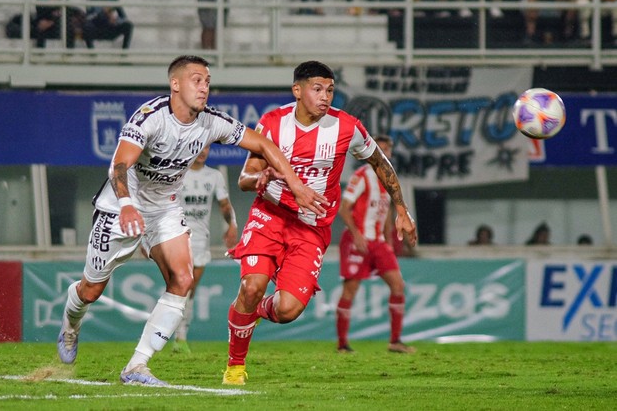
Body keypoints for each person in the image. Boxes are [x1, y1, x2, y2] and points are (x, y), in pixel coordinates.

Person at [56, 55, 326, 386]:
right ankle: (71, 324)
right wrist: (126, 204)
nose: (204, 88)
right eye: (197, 80)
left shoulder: (212, 121)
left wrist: (295, 184)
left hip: (164, 208)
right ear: (175, 84)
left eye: (208, 81)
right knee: (91, 289)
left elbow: (263, 144)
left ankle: (137, 366)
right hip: (121, 205)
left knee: (183, 280)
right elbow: (120, 165)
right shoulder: (150, 117)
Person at [222, 60, 418, 385]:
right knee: (252, 286)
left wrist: (401, 208)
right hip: (270, 216)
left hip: (311, 227)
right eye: (317, 89)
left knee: (288, 310)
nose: (325, 96)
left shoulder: (346, 127)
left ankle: (250, 310)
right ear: (297, 91)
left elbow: (379, 161)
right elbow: (245, 178)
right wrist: (262, 177)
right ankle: (235, 368)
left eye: (330, 90)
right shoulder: (273, 123)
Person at [335, 135, 416, 354]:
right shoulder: (361, 176)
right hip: (358, 240)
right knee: (350, 290)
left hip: (378, 242)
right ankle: (342, 344)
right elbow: (344, 208)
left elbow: (387, 211)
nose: (385, 152)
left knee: (398, 286)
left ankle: (395, 341)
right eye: (381, 149)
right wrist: (356, 235)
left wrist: (389, 240)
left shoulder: (388, 178)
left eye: (388, 149)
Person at [172, 144, 238, 354]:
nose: (203, 152)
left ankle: (180, 335)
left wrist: (231, 225)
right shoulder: (178, 174)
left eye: (207, 148)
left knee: (190, 288)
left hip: (201, 239)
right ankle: (171, 333)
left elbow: (225, 204)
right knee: (181, 285)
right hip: (178, 236)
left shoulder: (214, 176)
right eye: (199, 147)